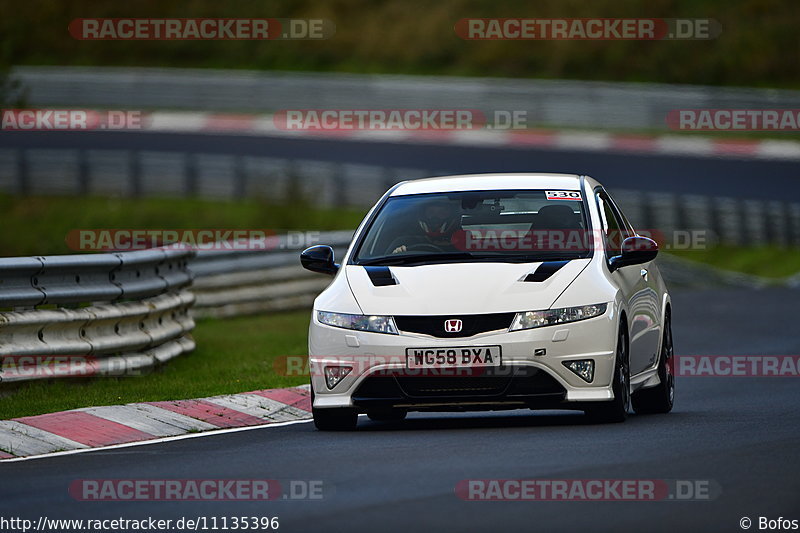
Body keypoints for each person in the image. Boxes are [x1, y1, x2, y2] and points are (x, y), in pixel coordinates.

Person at [388, 199, 461, 254]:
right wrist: (397, 254)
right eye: (431, 212)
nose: (435, 217)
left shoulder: (464, 243)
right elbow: (385, 264)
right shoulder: (404, 242)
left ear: (451, 217)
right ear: (423, 215)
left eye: (442, 213)